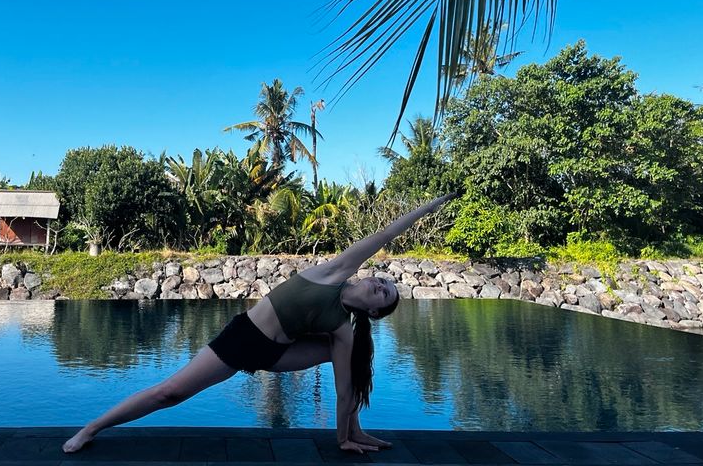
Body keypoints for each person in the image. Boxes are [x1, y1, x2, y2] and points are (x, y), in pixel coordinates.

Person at [62, 192, 459, 455]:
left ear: (374, 312)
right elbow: (387, 232)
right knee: (170, 393)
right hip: (244, 338)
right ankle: (92, 428)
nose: (378, 285)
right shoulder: (337, 270)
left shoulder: (342, 329)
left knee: (351, 364)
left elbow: (342, 391)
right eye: (382, 281)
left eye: (384, 295)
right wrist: (430, 206)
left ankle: (353, 433)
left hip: (277, 353)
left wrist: (340, 438)